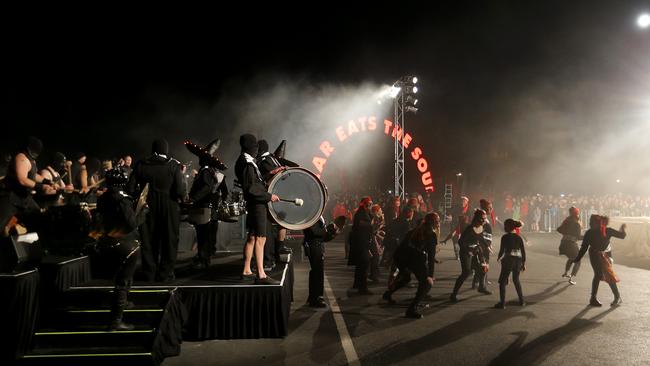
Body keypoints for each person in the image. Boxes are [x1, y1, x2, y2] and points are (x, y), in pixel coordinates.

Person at [127, 139, 184, 282]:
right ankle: (166, 273)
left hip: (147, 206)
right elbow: (179, 190)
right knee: (169, 239)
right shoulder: (174, 165)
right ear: (166, 150)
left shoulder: (141, 164)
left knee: (148, 240)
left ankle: (149, 273)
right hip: (169, 206)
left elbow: (130, 188)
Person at [95, 168, 142, 330]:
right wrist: (142, 213)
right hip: (126, 243)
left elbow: (98, 221)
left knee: (120, 278)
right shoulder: (123, 199)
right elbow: (131, 223)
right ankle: (116, 320)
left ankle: (123, 303)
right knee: (124, 281)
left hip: (108, 241)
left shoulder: (102, 199)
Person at [234, 133, 280, 285]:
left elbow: (253, 183)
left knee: (252, 237)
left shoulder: (245, 161)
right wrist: (269, 196)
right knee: (261, 238)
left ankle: (246, 270)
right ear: (251, 147)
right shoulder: (247, 163)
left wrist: (268, 175)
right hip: (257, 205)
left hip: (255, 204)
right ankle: (261, 274)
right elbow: (251, 189)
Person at [382, 212, 439, 319]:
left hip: (403, 257)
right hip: (413, 259)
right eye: (437, 221)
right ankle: (412, 308)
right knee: (426, 283)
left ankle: (388, 294)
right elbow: (431, 257)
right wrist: (430, 275)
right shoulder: (430, 234)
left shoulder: (414, 230)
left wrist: (392, 259)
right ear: (434, 222)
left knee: (406, 278)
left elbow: (401, 246)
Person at [187, 140, 229, 270]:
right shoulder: (218, 174)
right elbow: (225, 192)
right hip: (213, 207)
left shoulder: (205, 171)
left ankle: (203, 259)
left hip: (204, 206)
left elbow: (206, 187)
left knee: (202, 234)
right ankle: (207, 256)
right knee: (210, 234)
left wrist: (193, 198)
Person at [0, 137, 56, 232]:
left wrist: (48, 182)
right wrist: (41, 187)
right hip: (11, 197)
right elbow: (22, 179)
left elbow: (34, 176)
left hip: (24, 198)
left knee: (38, 218)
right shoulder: (21, 157)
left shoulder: (32, 160)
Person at [574, 215, 626, 307]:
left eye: (592, 222)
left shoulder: (607, 230)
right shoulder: (589, 232)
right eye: (590, 221)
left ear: (598, 223)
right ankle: (593, 298)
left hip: (605, 255)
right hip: (594, 254)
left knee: (609, 275)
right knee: (598, 274)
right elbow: (584, 247)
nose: (589, 223)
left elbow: (622, 236)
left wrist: (622, 229)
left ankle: (617, 297)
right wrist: (578, 258)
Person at [256, 139, 291, 269]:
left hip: (271, 197)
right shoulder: (272, 160)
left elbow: (271, 179)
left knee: (268, 231)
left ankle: (269, 259)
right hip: (276, 196)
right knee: (272, 229)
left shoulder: (265, 161)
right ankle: (274, 256)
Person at [303, 215, 347, 307]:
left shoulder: (318, 216)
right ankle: (316, 298)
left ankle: (314, 296)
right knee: (317, 272)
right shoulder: (313, 215)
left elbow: (323, 237)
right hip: (314, 245)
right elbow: (315, 232)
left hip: (318, 245)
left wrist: (333, 232)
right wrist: (329, 229)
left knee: (317, 272)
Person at [450, 209, 491, 302]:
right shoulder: (470, 228)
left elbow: (480, 238)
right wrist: (468, 250)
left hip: (476, 250)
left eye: (485, 218)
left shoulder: (481, 227)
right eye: (482, 219)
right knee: (466, 273)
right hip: (466, 252)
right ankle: (454, 294)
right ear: (477, 218)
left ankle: (482, 287)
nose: (484, 220)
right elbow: (460, 241)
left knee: (483, 267)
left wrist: (487, 246)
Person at [494, 219, 526, 309]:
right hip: (518, 261)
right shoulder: (518, 237)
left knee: (502, 282)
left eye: (505, 225)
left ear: (508, 227)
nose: (504, 227)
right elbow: (523, 251)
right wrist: (523, 263)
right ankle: (522, 301)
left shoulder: (504, 237)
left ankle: (502, 303)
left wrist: (499, 257)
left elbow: (502, 250)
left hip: (508, 260)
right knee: (516, 280)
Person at [349, 196, 374, 294]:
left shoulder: (366, 213)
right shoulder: (360, 213)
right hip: (361, 242)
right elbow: (362, 224)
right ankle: (362, 288)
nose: (370, 206)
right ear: (364, 204)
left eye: (371, 204)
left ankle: (357, 284)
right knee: (364, 264)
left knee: (361, 264)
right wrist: (372, 224)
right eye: (368, 204)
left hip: (363, 241)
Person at [557, 206, 583, 285]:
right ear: (577, 214)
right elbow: (578, 237)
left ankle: (566, 272)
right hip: (571, 244)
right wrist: (587, 237)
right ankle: (571, 278)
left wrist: (566, 233)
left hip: (563, 243)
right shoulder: (577, 224)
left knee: (571, 258)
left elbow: (559, 229)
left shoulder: (567, 220)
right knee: (578, 261)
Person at [441, 195, 471, 260]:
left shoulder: (469, 209)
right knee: (455, 240)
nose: (462, 202)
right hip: (455, 224)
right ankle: (457, 254)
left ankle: (465, 253)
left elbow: (471, 218)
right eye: (462, 200)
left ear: (467, 202)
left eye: (464, 200)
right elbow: (450, 212)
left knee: (465, 241)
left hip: (465, 227)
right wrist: (450, 215)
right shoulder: (456, 207)